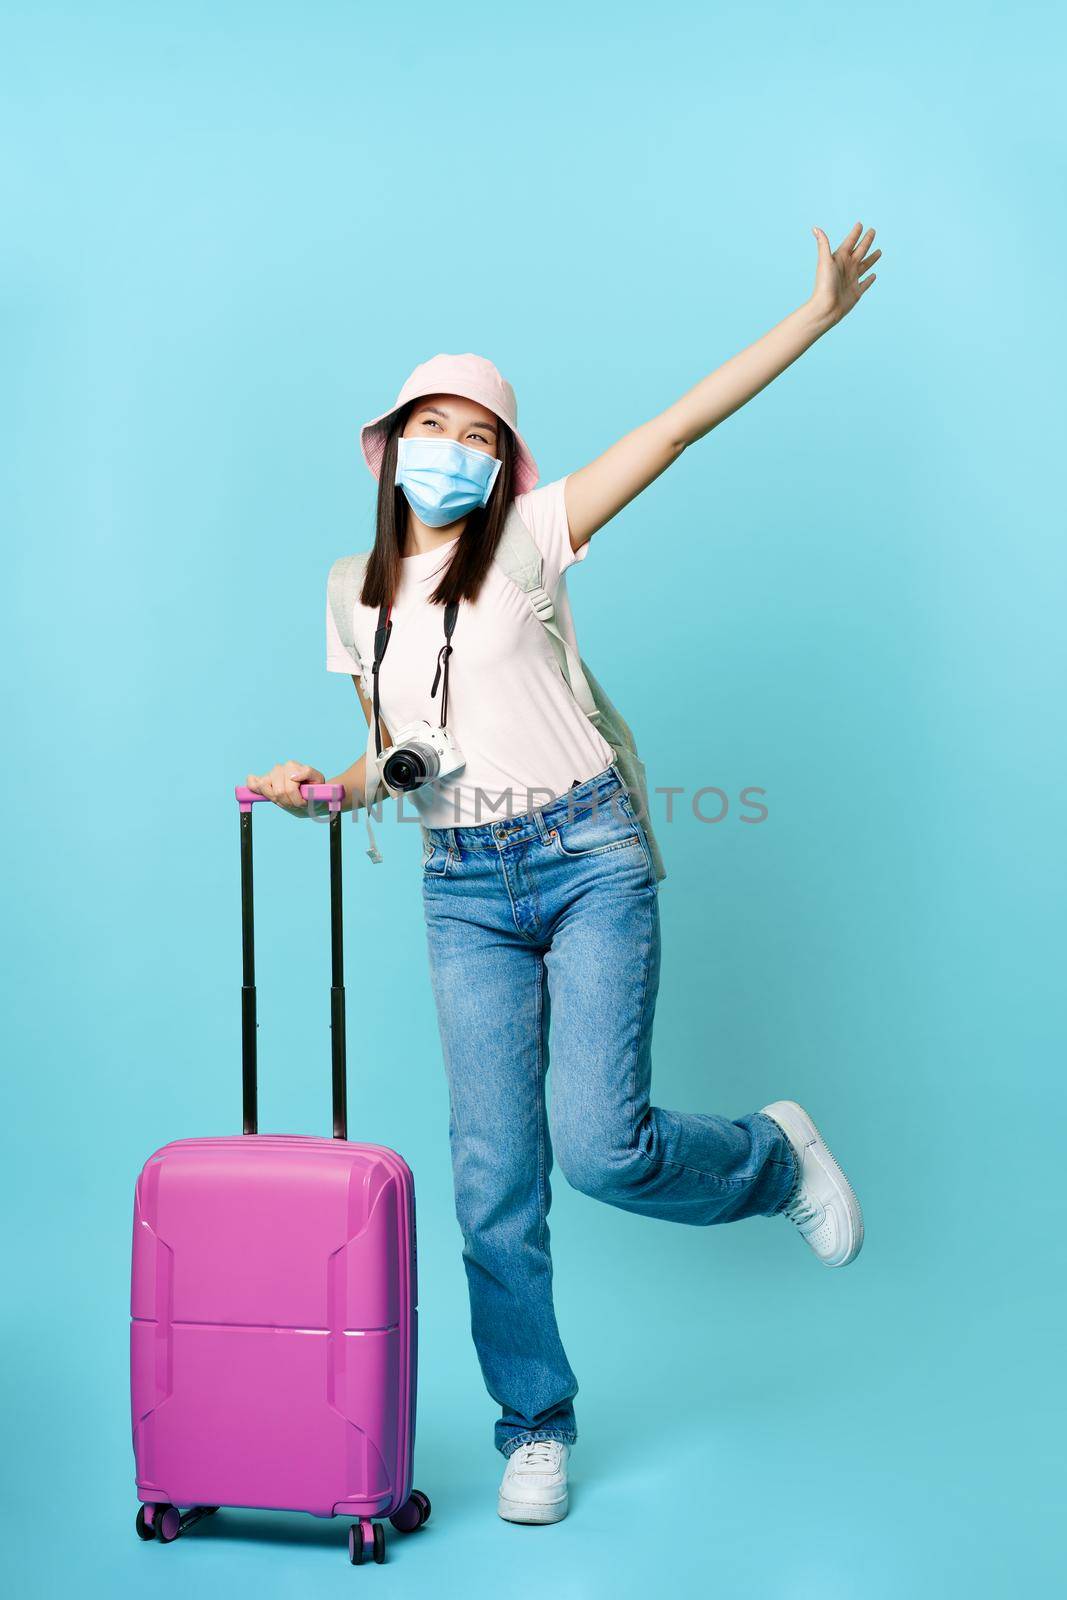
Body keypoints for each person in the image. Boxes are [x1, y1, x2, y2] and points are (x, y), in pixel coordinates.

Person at [246, 221, 880, 1526]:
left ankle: (773, 1159)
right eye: (436, 427)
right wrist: (326, 791)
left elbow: (676, 428)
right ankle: (536, 1425)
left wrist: (812, 315)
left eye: (480, 435)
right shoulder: (349, 588)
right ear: (390, 447)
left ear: (505, 461)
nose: (456, 452)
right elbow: (398, 757)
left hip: (587, 855)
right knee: (493, 1186)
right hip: (464, 888)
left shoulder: (536, 532)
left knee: (602, 1152)